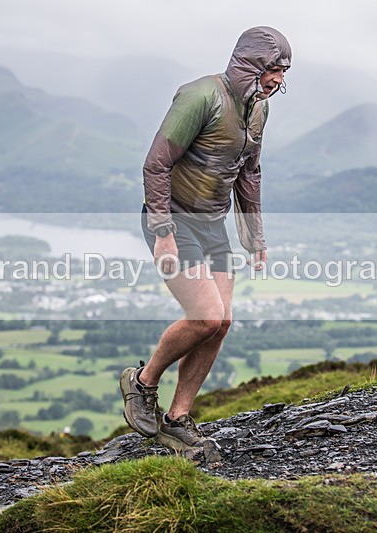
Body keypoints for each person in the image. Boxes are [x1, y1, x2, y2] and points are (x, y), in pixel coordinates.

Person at [121, 26, 291, 451]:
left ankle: (177, 418)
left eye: (283, 72)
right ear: (250, 64)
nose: (278, 79)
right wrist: (162, 232)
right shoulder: (200, 96)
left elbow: (248, 173)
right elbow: (156, 164)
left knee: (221, 323)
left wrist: (254, 236)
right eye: (273, 69)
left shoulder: (259, 109)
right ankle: (142, 382)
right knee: (205, 317)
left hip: (213, 224)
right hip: (174, 220)